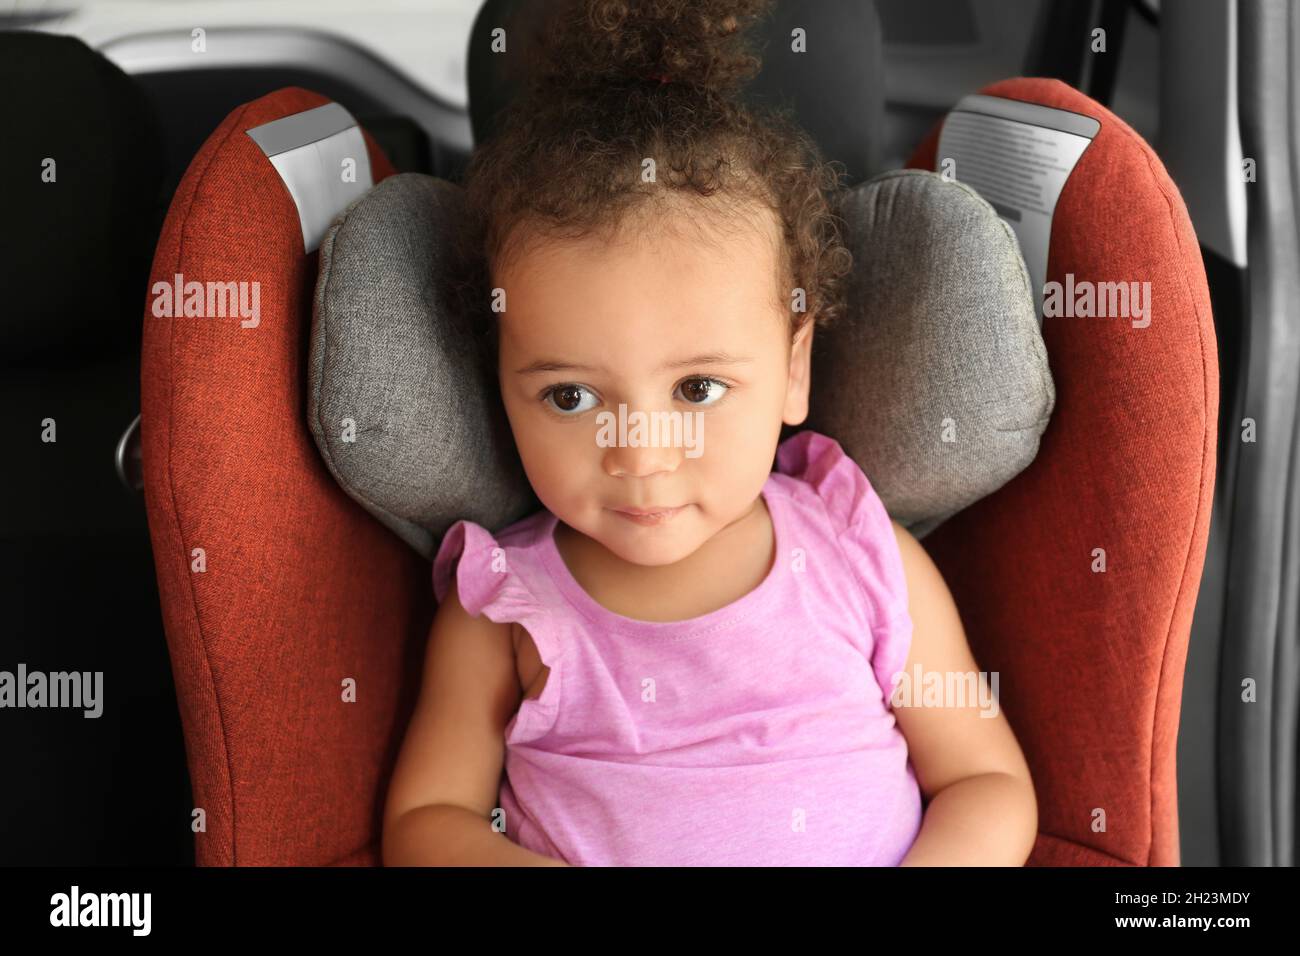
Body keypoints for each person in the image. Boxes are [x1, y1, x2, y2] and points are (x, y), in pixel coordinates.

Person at [383, 0, 1036, 866]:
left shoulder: (860, 554)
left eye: (697, 387)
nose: (641, 452)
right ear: (499, 382)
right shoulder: (502, 607)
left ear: (794, 369)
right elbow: (427, 822)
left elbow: (986, 785)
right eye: (571, 397)